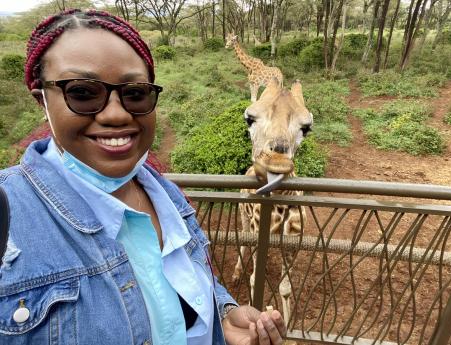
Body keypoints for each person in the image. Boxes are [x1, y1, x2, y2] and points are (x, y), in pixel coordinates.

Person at [0, 8, 287, 345]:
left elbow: (180, 284)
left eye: (135, 93)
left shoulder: (167, 196)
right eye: (82, 92)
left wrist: (221, 314)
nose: (116, 114)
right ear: (42, 102)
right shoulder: (9, 217)